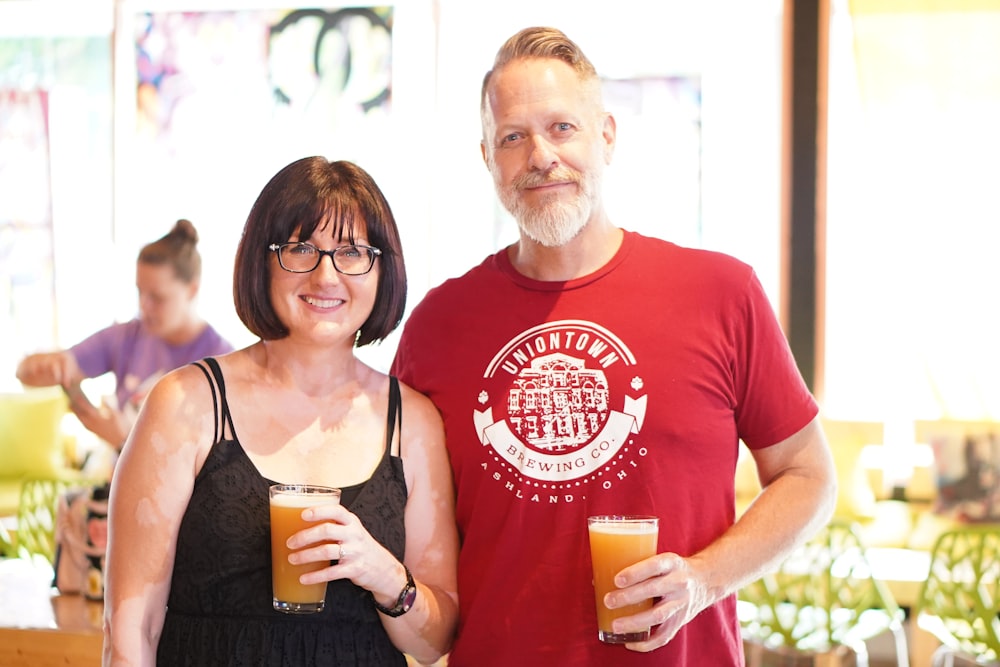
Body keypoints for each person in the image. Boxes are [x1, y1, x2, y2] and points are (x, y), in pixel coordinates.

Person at [390, 26, 838, 666]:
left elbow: (809, 475)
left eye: (562, 128)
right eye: (513, 137)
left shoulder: (720, 292)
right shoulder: (438, 324)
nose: (540, 154)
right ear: (488, 159)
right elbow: (415, 529)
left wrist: (704, 580)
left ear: (606, 136)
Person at [102, 157, 459, 666]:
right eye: (301, 249)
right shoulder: (187, 402)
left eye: (353, 252)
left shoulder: (413, 422)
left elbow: (432, 642)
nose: (327, 274)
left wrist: (385, 574)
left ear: (383, 269)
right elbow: (131, 628)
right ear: (261, 261)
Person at [16, 218, 234, 451]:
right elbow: (30, 374)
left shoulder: (221, 361)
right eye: (140, 292)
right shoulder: (127, 337)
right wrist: (43, 365)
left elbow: (213, 463)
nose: (144, 306)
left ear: (192, 289)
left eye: (157, 298)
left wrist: (125, 441)